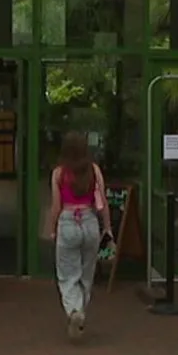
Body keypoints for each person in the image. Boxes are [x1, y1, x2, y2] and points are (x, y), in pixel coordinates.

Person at [47, 132, 113, 342]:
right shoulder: (94, 171)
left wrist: (51, 228)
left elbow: (56, 206)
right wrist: (108, 228)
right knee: (86, 273)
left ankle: (74, 311)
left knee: (67, 274)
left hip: (68, 220)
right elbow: (101, 201)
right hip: (90, 221)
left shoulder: (59, 173)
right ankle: (80, 310)